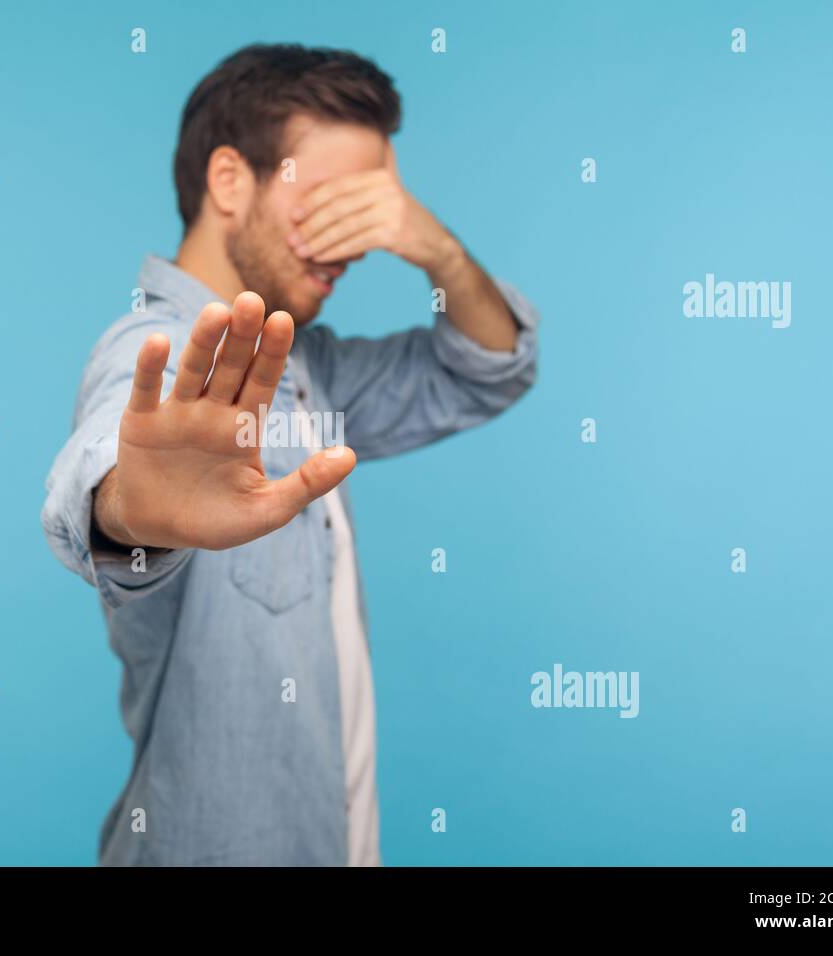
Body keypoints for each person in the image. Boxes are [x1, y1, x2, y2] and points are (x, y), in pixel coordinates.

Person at [41, 43, 539, 866]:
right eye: (336, 202)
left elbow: (484, 372)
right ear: (230, 180)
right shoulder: (153, 346)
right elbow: (97, 477)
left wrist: (441, 253)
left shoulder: (312, 374)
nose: (357, 243)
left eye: (377, 209)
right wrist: (134, 506)